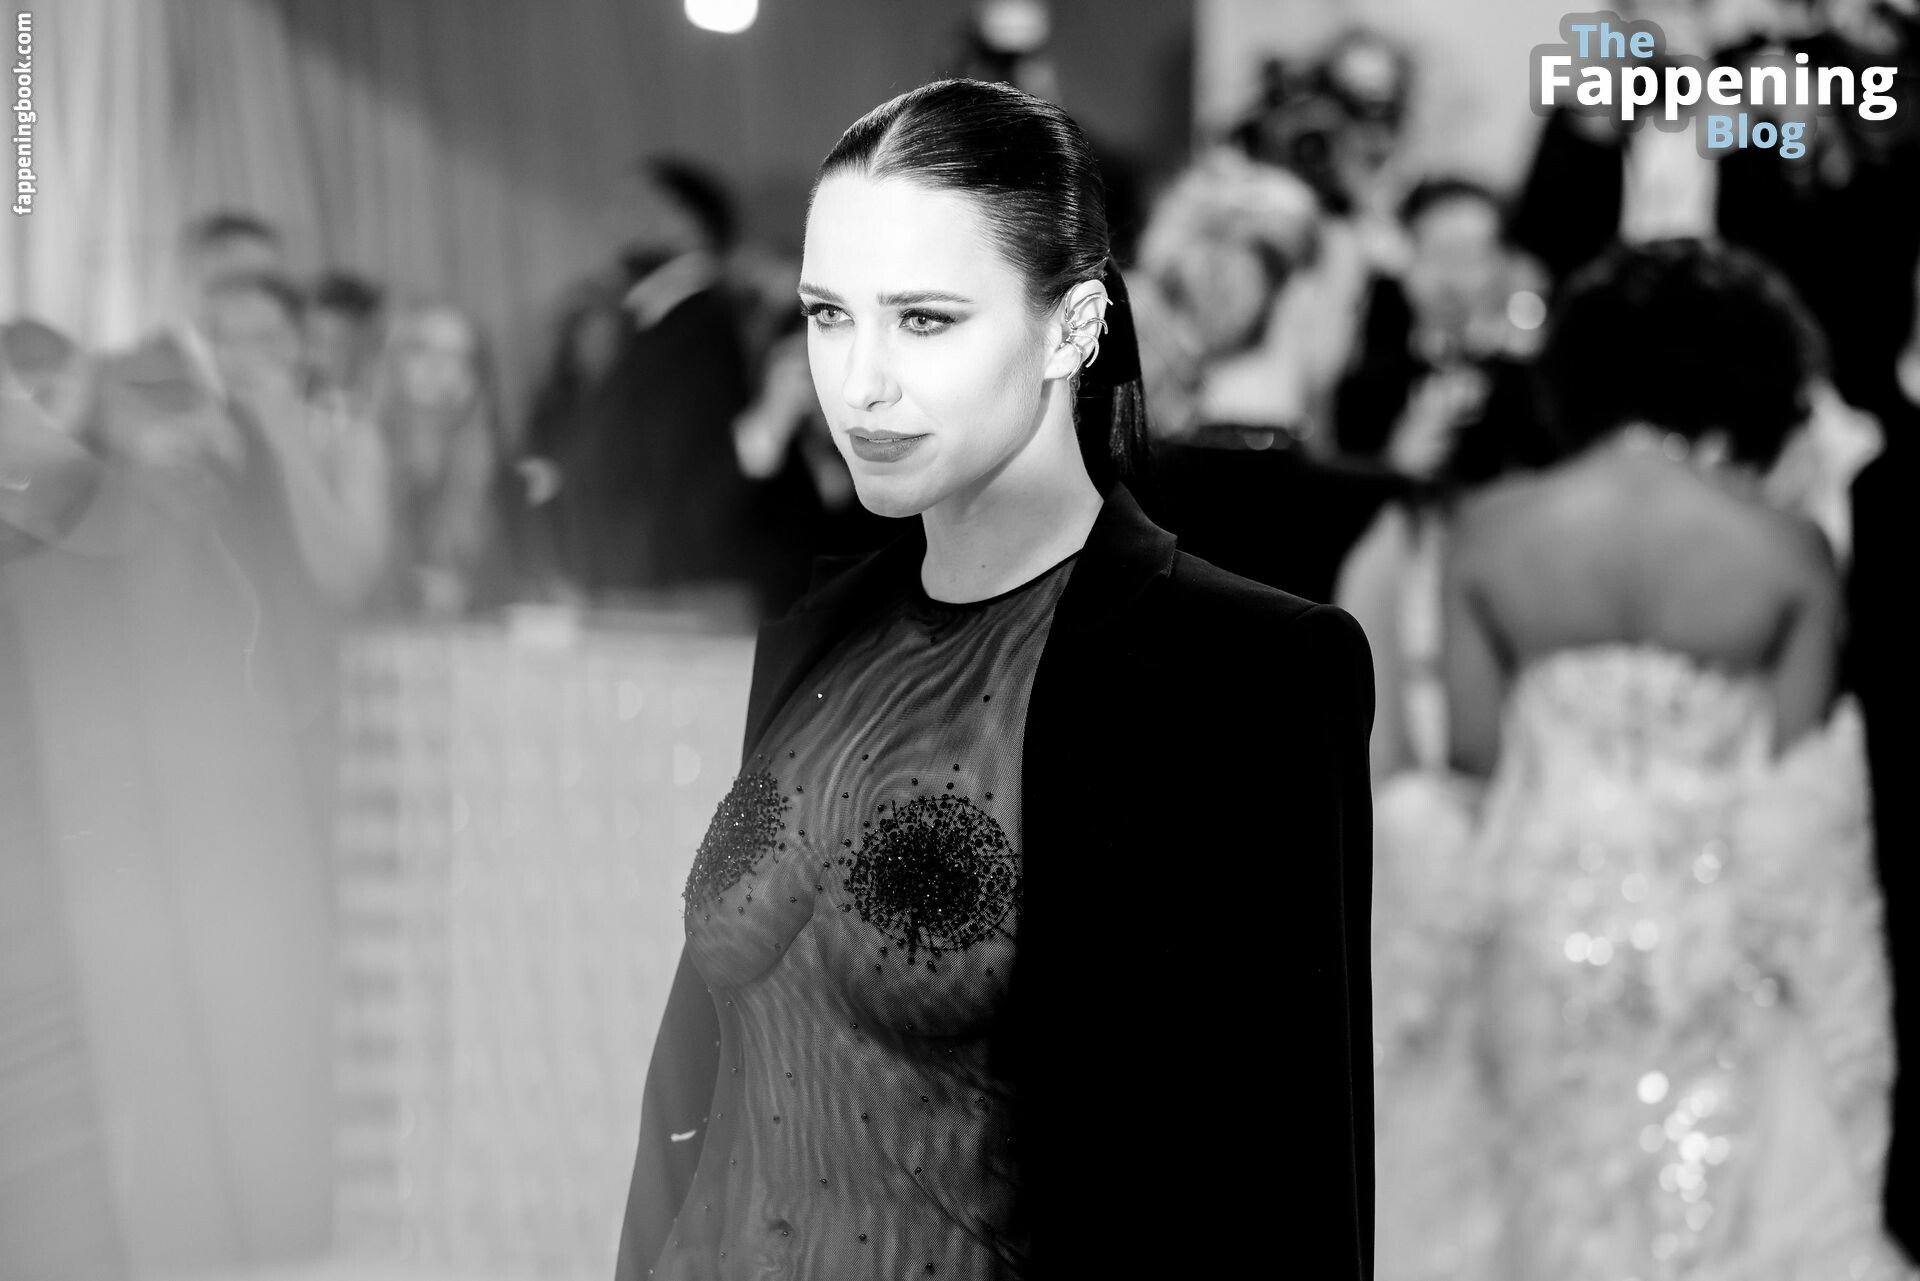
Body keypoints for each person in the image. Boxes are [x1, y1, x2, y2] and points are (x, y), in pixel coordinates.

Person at [615, 78, 1375, 1281]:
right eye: (827, 315)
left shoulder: (1244, 670)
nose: (860, 383)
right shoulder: (818, 634)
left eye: (924, 319)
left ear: (1072, 329)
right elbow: (703, 1085)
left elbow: (1286, 1180)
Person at [1370, 238, 1915, 1280]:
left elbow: (1474, 778)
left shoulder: (1489, 534)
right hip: (1717, 941)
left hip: (1539, 924)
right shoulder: (1784, 550)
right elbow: (1800, 810)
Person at [527, 155, 756, 600]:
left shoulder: (707, 323)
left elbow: (682, 462)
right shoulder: (639, 319)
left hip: (672, 582)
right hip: (629, 574)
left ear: (691, 223)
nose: (617, 219)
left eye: (639, 205)